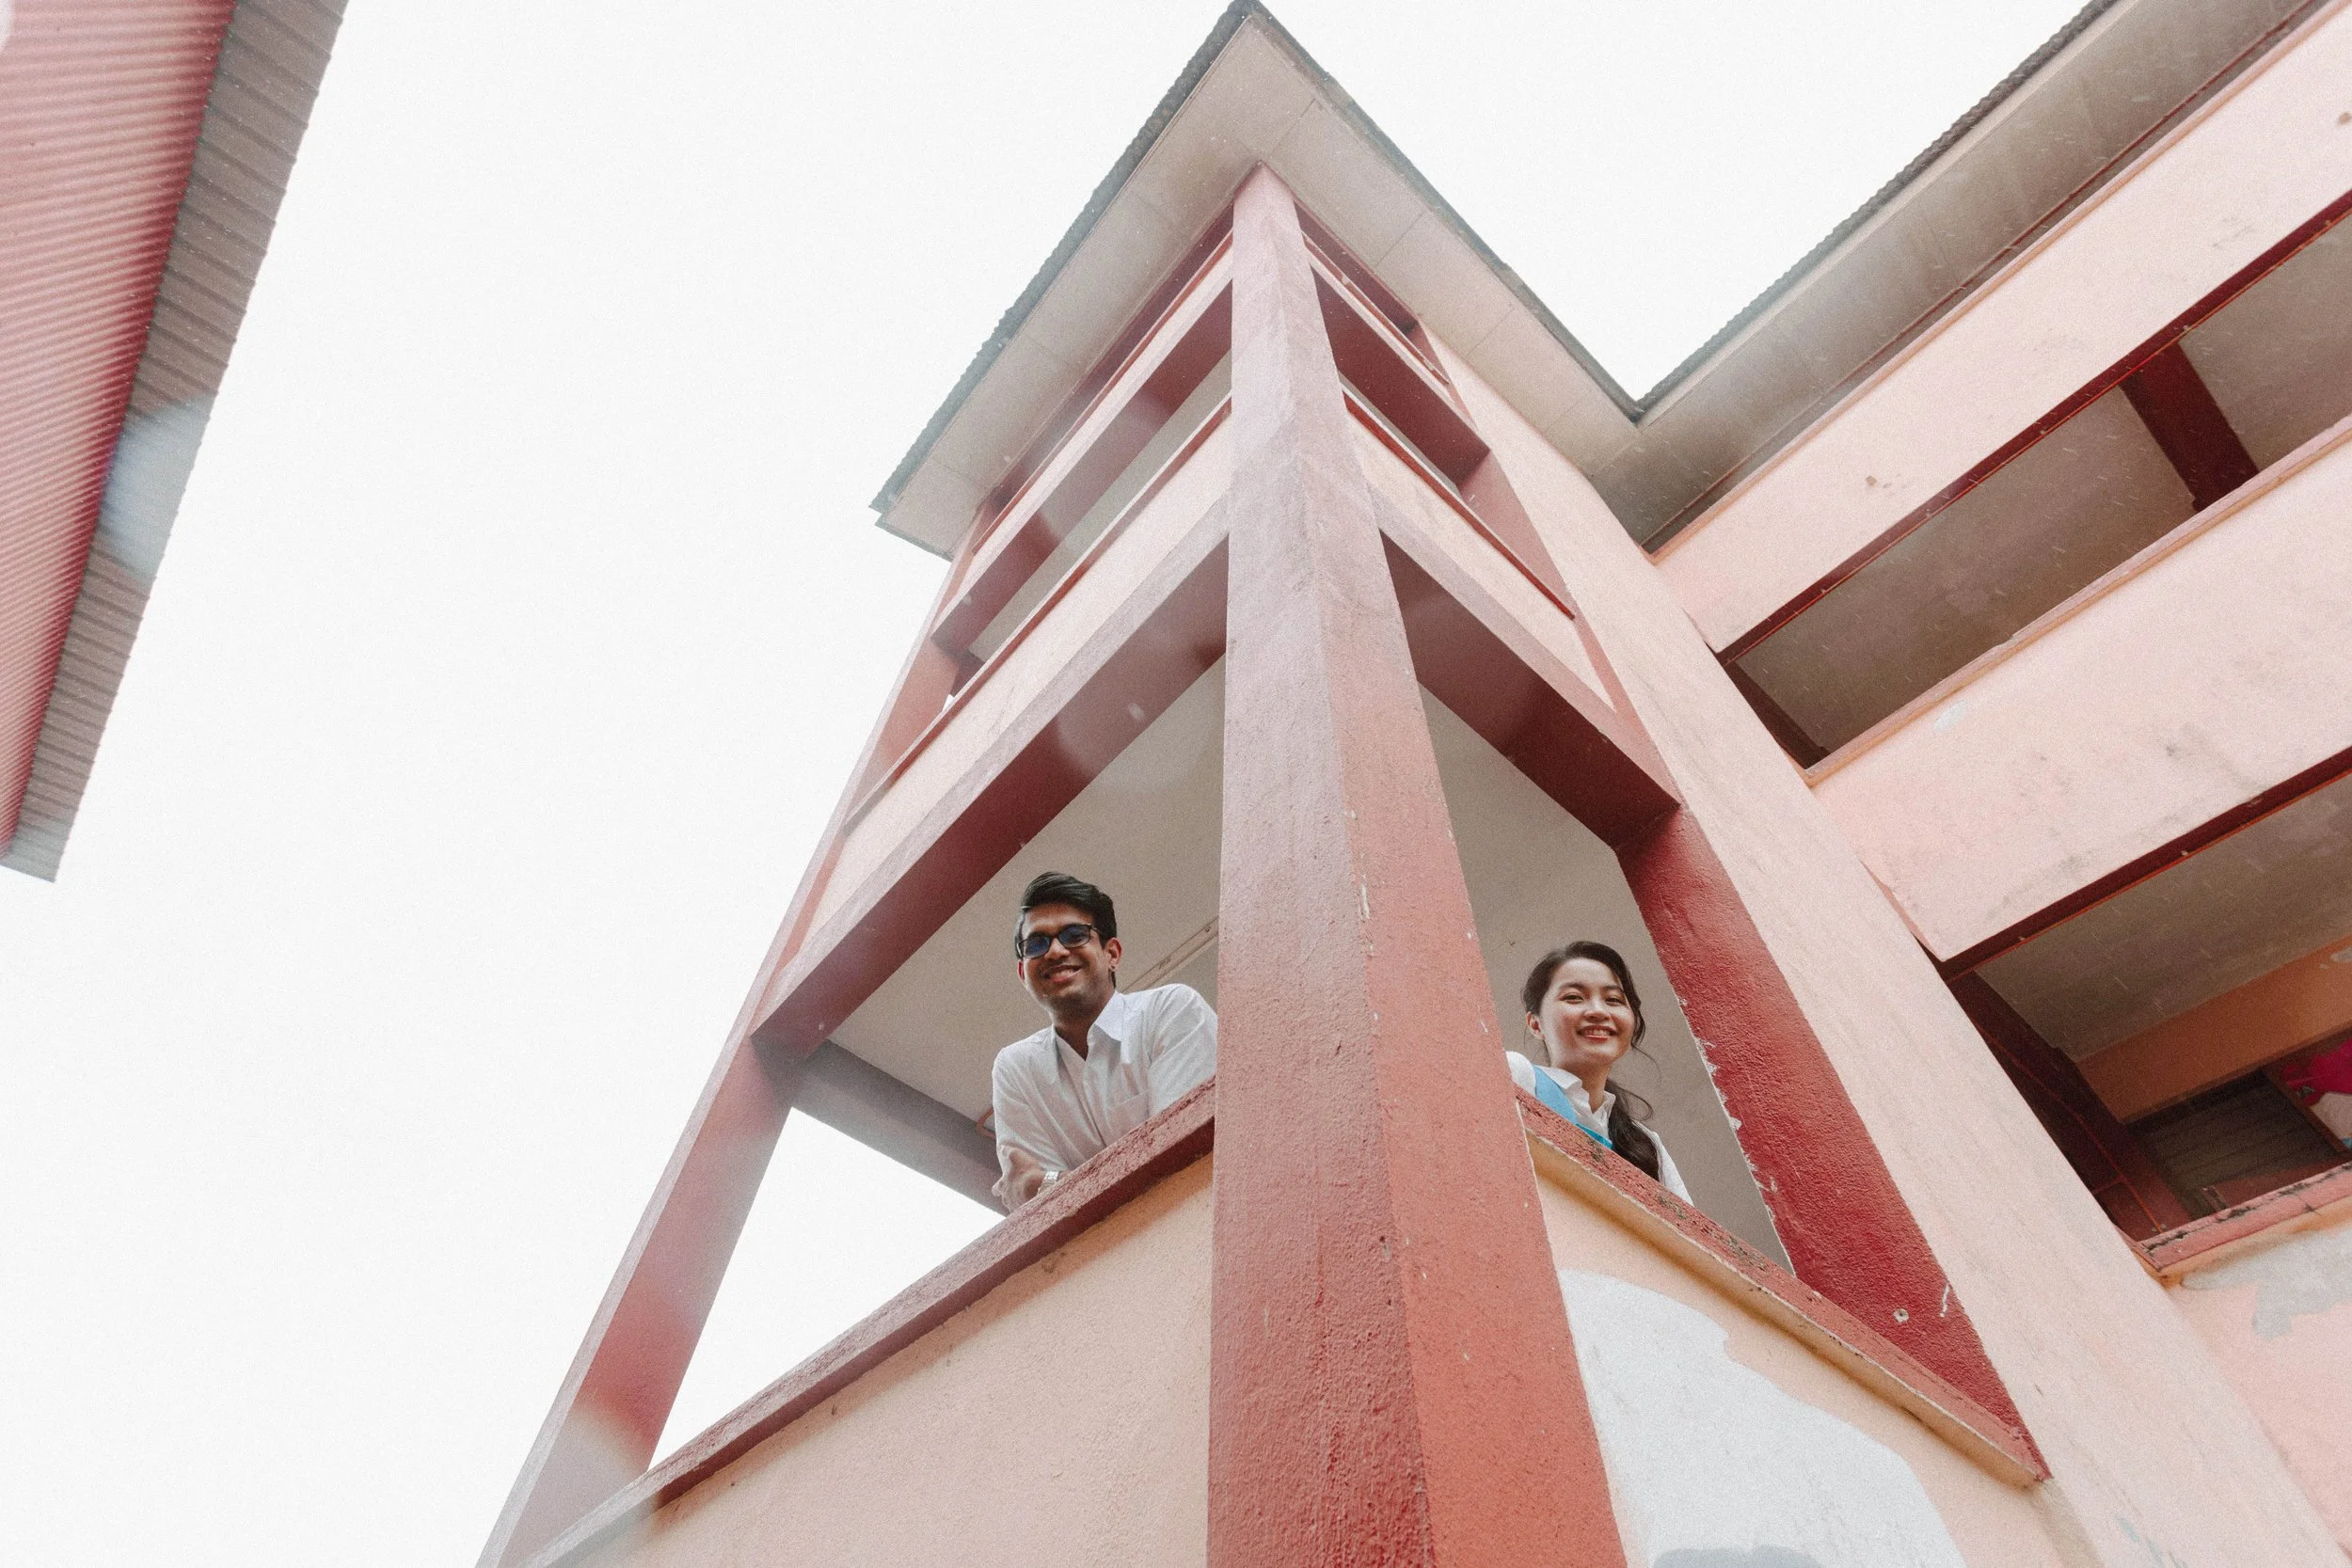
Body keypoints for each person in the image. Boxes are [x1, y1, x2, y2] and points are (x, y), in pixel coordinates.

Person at [990, 872, 1216, 1212]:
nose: (1054, 950)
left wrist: (1049, 1183)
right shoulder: (1016, 1070)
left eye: (1075, 935)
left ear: (1112, 954)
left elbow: (1182, 1156)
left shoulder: (1170, 1011)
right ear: (1023, 973)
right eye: (1035, 944)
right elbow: (1036, 1213)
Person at [1507, 941, 1692, 1202]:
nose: (1597, 1011)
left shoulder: (1646, 1144)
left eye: (1613, 1000)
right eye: (1573, 997)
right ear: (1535, 1024)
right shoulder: (1518, 1076)